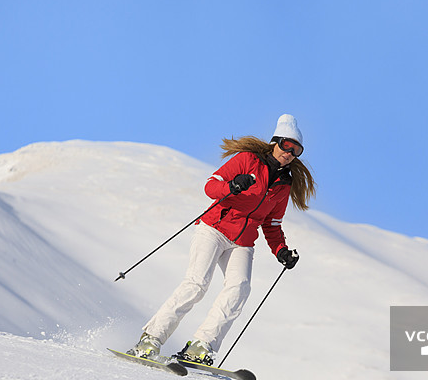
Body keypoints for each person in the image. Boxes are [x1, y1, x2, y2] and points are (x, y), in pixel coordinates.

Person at [128, 114, 316, 365]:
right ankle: (150, 338)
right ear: (275, 141)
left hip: (243, 241)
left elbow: (272, 225)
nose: (290, 153)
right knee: (197, 284)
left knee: (239, 289)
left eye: (297, 150)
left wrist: (281, 250)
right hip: (214, 228)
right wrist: (232, 187)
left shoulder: (283, 184)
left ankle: (202, 346)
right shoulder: (247, 160)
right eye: (286, 145)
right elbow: (211, 186)